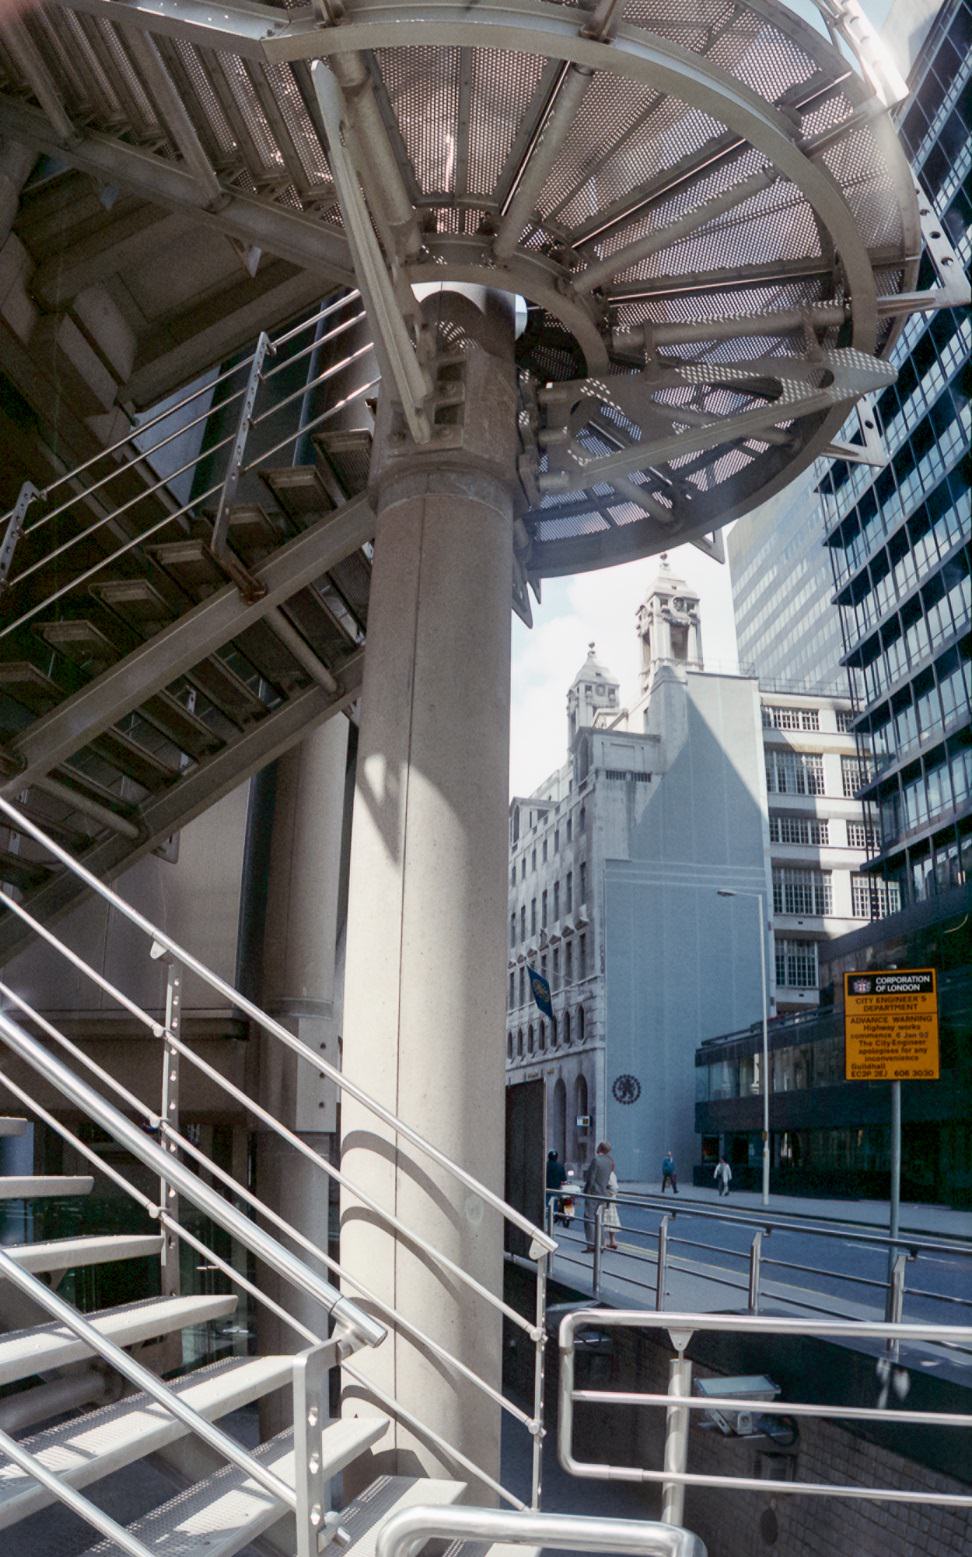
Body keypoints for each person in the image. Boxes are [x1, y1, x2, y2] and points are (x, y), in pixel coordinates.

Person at [583, 1141, 615, 1251]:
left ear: (599, 1148)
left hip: (593, 1193)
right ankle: (601, 1245)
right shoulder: (610, 1162)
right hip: (603, 1194)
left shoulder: (596, 1160)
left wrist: (586, 1191)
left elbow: (591, 1178)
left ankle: (591, 1245)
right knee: (600, 1220)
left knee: (589, 1218)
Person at [545, 1150, 567, 1221]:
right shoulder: (560, 1166)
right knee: (556, 1203)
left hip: (547, 1188)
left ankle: (549, 1217)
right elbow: (564, 1178)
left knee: (547, 1204)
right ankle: (555, 1216)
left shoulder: (545, 1166)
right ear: (557, 1157)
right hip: (556, 1189)